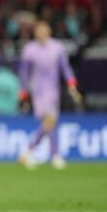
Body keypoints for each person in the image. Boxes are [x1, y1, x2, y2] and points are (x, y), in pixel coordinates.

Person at [18, 20, 82, 170]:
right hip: (38, 91)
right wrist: (23, 91)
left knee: (50, 123)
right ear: (35, 33)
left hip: (53, 91)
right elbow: (25, 73)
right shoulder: (29, 49)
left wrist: (72, 84)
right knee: (49, 121)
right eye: (38, 30)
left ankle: (28, 152)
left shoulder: (57, 47)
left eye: (44, 30)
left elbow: (65, 68)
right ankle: (54, 155)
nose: (41, 33)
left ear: (49, 31)